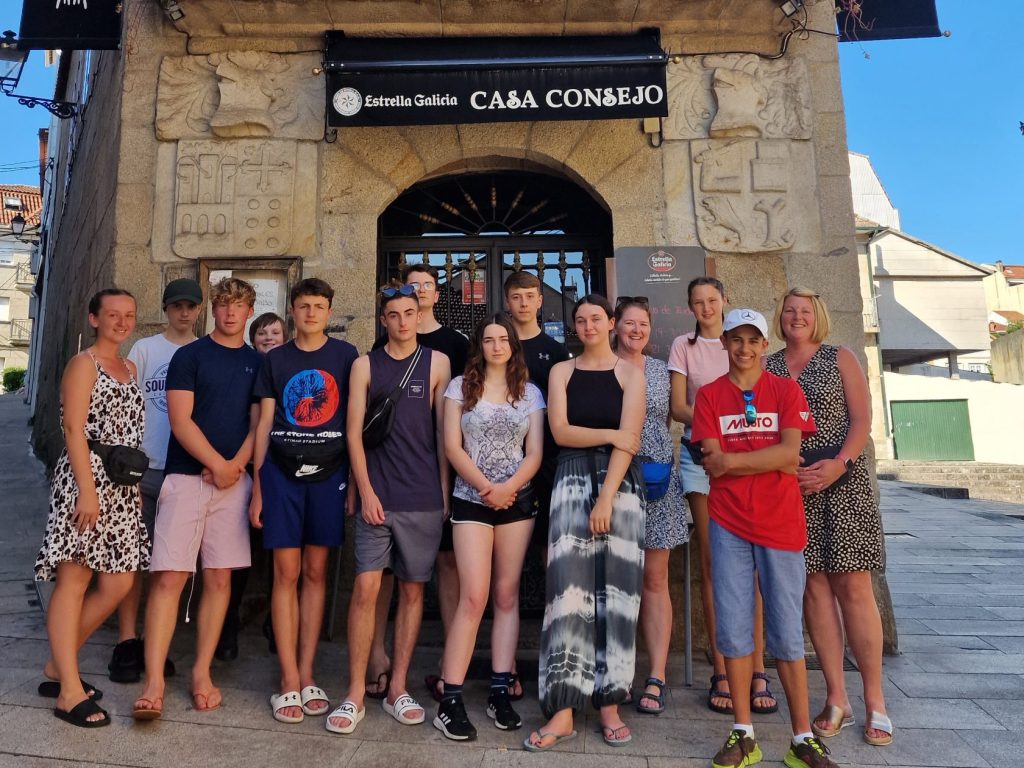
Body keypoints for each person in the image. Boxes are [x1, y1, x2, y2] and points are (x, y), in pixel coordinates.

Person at [692, 308, 838, 768]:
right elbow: (712, 459)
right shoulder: (709, 397)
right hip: (730, 524)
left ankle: (801, 738)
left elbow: (790, 454)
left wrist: (737, 462)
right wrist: (764, 457)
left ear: (764, 346)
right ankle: (743, 733)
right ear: (725, 344)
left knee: (786, 633)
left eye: (754, 340)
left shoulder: (785, 390)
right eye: (736, 340)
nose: (745, 349)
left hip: (780, 524)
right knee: (734, 632)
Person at [765, 287, 892, 747]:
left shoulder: (840, 358)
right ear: (780, 317)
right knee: (813, 587)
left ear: (816, 316)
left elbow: (861, 419)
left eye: (804, 311)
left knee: (854, 587)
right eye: (789, 310)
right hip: (793, 487)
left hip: (843, 481)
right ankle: (837, 697)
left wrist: (839, 464)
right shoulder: (769, 366)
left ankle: (875, 698)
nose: (796, 317)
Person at [133, 277, 261, 720]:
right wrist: (218, 464)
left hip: (234, 484)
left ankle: (202, 672)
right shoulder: (189, 356)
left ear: (250, 310)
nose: (229, 313)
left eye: (238, 306)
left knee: (221, 580)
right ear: (214, 309)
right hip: (187, 478)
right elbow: (182, 420)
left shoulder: (256, 363)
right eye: (223, 304)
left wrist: (236, 467)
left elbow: (257, 422)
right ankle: (154, 679)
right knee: (169, 578)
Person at [326, 283, 450, 735]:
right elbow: (353, 432)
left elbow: (442, 434)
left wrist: (442, 491)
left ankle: (398, 685)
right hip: (378, 495)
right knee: (366, 589)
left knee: (414, 591)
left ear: (420, 315)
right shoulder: (364, 365)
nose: (402, 321)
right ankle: (355, 691)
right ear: (383, 320)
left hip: (422, 496)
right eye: (393, 314)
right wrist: (364, 489)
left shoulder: (438, 363)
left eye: (409, 313)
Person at [525, 294, 645, 752]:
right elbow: (560, 431)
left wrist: (608, 498)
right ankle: (563, 708)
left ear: (611, 323)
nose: (589, 325)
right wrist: (612, 433)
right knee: (568, 594)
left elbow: (630, 438)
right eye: (581, 319)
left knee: (617, 594)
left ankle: (611, 702)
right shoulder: (561, 371)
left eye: (597, 318)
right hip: (572, 479)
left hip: (621, 486)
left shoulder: (631, 373)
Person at [34, 289, 149, 728]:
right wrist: (87, 489)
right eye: (113, 314)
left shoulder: (131, 367)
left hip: (120, 486)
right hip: (86, 480)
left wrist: (131, 486)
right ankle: (67, 690)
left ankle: (57, 667)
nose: (122, 321)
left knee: (119, 584)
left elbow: (129, 434)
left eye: (129, 315)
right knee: (76, 578)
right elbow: (73, 429)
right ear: (94, 317)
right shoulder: (84, 365)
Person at [250, 279, 358, 724]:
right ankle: (288, 678)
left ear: (329, 311)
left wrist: (352, 481)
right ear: (291, 311)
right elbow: (264, 423)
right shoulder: (276, 359)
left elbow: (354, 423)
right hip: (280, 474)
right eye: (303, 306)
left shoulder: (347, 357)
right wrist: (257, 485)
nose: (311, 313)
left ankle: (309, 670)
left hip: (329, 475)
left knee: (316, 572)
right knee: (285, 572)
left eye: (318, 306)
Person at [668, 277, 777, 717]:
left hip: (751, 458)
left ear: (725, 301)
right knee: (715, 566)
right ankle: (720, 667)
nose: (706, 307)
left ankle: (756, 670)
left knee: (751, 570)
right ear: (690, 308)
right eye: (698, 302)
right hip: (702, 458)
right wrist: (721, 419)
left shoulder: (741, 344)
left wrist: (731, 421)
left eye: (712, 299)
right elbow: (679, 407)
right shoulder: (683, 345)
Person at [433, 314, 544, 741]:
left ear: (513, 346)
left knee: (506, 593)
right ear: (479, 346)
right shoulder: (460, 388)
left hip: (517, 500)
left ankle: (500, 689)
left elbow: (534, 452)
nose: (497, 346)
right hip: (472, 499)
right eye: (489, 340)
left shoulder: (530, 392)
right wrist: (485, 488)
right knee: (474, 596)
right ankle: (451, 698)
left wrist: (509, 488)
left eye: (504, 339)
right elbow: (450, 445)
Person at [371, 263, 469, 703]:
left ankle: (453, 656)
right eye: (412, 288)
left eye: (427, 287)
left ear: (433, 294)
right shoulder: (380, 347)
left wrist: (447, 481)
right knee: (383, 574)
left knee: (446, 565)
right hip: (389, 479)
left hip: (430, 481)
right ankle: (378, 657)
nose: (419, 295)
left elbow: (449, 417)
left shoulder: (451, 347)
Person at [108, 279, 201, 683]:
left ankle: (154, 642)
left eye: (191, 306)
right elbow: (128, 402)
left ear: (199, 309)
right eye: (177, 305)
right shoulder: (146, 350)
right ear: (166, 308)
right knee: (132, 559)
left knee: (169, 566)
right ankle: (128, 640)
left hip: (185, 471)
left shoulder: (203, 351)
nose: (184, 312)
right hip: (145, 467)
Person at [613, 296, 688, 717]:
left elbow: (672, 419)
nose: (636, 330)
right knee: (618, 578)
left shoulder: (662, 371)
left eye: (642, 323)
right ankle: (620, 673)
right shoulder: (603, 366)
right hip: (614, 479)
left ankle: (655, 675)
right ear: (615, 326)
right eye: (628, 323)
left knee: (655, 580)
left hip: (657, 480)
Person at [502, 269, 568, 699]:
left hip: (547, 469)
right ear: (507, 301)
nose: (524, 303)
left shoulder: (557, 352)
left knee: (549, 564)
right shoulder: (497, 345)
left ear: (540, 300)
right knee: (501, 574)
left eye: (530, 296)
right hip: (500, 471)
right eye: (516, 296)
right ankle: (502, 664)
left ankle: (552, 657)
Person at [217, 310, 288, 662]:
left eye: (276, 332)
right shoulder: (244, 369)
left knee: (281, 557)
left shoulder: (288, 369)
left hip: (284, 475)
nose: (269, 337)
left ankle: (278, 624)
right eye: (262, 332)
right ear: (252, 337)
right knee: (237, 559)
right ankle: (226, 627)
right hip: (242, 472)